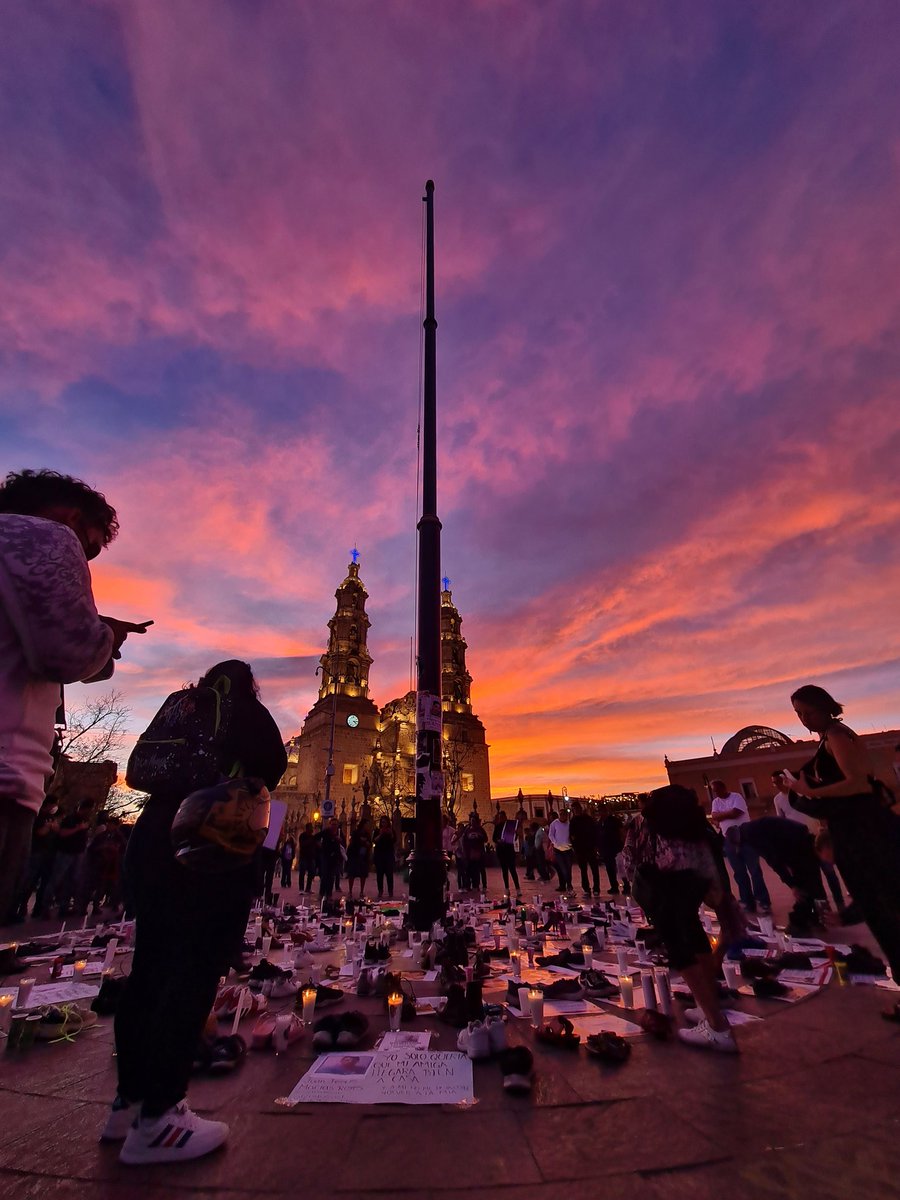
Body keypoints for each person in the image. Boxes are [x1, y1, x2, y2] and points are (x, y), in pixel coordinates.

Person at [107, 659, 286, 1165]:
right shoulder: (245, 712)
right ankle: (160, 1119)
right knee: (192, 974)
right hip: (206, 841)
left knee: (148, 971)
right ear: (248, 685)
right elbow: (271, 768)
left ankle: (129, 1103)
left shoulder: (178, 706)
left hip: (150, 841)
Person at [0, 468, 149, 921]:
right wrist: (105, 636)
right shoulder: (43, 535)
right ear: (70, 516)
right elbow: (67, 651)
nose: (87, 559)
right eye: (92, 546)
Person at [787, 684, 900, 983]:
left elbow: (859, 783)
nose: (804, 719)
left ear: (825, 707)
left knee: (885, 908)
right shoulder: (830, 738)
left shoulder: (837, 736)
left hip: (864, 830)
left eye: (808, 712)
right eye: (799, 714)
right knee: (881, 908)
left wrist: (810, 791)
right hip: (856, 829)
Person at [623, 785, 737, 1053]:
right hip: (692, 887)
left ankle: (717, 1027)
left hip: (664, 887)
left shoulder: (651, 825)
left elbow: (631, 858)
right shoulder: (695, 827)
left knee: (682, 952)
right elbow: (711, 865)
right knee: (696, 940)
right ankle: (707, 1009)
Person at [772, 769, 848, 918]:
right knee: (814, 878)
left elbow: (820, 811)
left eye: (779, 781)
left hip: (816, 836)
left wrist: (823, 830)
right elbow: (781, 819)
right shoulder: (778, 800)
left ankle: (841, 905)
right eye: (774, 783)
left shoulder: (802, 793)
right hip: (800, 842)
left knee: (830, 873)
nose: (777, 785)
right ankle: (824, 910)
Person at [708, 780, 771, 915]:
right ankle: (747, 901)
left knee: (754, 871)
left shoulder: (736, 797)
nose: (716, 793)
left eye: (718, 790)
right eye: (714, 791)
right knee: (739, 872)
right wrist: (724, 815)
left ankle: (763, 900)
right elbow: (714, 816)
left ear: (724, 788)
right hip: (729, 840)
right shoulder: (715, 802)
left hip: (746, 838)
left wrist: (721, 816)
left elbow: (736, 813)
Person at [14, 794, 60, 920]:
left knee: (44, 881)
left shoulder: (51, 817)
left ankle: (38, 908)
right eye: (54, 804)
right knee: (29, 881)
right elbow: (40, 832)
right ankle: (19, 907)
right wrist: (48, 827)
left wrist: (52, 827)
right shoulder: (38, 816)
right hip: (36, 851)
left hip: (48, 853)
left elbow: (57, 830)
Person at [51, 799, 94, 917]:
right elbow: (62, 833)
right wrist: (78, 828)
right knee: (56, 879)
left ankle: (64, 907)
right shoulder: (70, 819)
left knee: (72, 881)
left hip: (78, 853)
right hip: (66, 852)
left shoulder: (86, 820)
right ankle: (44, 906)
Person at [569, 801, 600, 897]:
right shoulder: (573, 821)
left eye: (577, 808)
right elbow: (571, 835)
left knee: (594, 868)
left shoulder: (588, 819)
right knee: (583, 870)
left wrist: (595, 845)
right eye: (574, 809)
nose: (576, 810)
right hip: (580, 849)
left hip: (590, 847)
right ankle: (586, 889)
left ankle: (596, 889)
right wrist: (575, 846)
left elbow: (595, 832)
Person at [494, 812, 522, 897]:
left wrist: (516, 833)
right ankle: (507, 888)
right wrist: (498, 841)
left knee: (513, 870)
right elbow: (494, 838)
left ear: (506, 817)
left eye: (503, 816)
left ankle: (518, 889)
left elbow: (514, 837)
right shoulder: (498, 826)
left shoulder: (510, 826)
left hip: (509, 850)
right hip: (501, 851)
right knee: (504, 871)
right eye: (500, 817)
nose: (501, 818)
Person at [548, 808, 574, 893]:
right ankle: (566, 885)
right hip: (558, 850)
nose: (563, 816)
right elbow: (551, 834)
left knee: (568, 869)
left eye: (564, 814)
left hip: (568, 849)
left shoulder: (569, 824)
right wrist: (556, 843)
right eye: (561, 814)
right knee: (563, 868)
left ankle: (568, 884)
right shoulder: (554, 823)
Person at [597, 811, 623, 894]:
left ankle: (625, 885)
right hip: (606, 849)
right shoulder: (600, 822)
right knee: (610, 868)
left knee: (620, 867)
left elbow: (621, 831)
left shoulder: (613, 820)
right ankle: (614, 886)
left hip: (615, 846)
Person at [318, 818, 344, 900]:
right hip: (326, 856)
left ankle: (329, 894)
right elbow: (316, 837)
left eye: (335, 824)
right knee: (325, 875)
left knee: (331, 876)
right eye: (332, 824)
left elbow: (343, 843)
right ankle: (322, 893)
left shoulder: (339, 833)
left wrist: (340, 840)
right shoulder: (326, 832)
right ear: (330, 824)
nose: (334, 826)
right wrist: (320, 846)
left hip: (335, 857)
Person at [346, 818, 372, 899]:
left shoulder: (367, 834)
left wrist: (367, 843)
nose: (368, 826)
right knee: (352, 874)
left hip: (363, 856)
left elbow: (370, 844)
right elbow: (353, 842)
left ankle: (361, 891)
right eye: (367, 824)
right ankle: (350, 891)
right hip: (354, 855)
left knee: (363, 874)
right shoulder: (356, 832)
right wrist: (362, 841)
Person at [461, 813, 488, 892]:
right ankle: (470, 885)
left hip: (480, 853)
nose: (472, 822)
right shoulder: (467, 829)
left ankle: (483, 885)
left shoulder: (480, 829)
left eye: (473, 820)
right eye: (471, 820)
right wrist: (465, 852)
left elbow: (486, 839)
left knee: (481, 869)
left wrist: (479, 837)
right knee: (470, 869)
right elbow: (464, 841)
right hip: (470, 853)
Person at [373, 815, 396, 899]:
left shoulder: (391, 831)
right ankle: (380, 891)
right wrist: (380, 834)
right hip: (379, 855)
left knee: (389, 875)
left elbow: (394, 840)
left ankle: (390, 891)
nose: (383, 824)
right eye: (382, 822)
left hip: (388, 855)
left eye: (385, 822)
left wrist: (390, 834)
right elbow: (374, 840)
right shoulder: (377, 830)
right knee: (379, 874)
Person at [297, 823, 317, 893]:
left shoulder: (312, 836)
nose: (312, 829)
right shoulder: (302, 836)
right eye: (311, 827)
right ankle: (301, 889)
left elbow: (315, 846)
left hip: (311, 857)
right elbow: (302, 845)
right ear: (307, 828)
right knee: (302, 873)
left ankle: (308, 888)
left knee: (311, 873)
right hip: (304, 857)